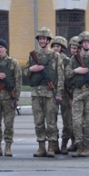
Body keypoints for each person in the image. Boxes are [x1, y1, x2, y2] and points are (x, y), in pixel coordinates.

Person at [24, 27, 64, 158]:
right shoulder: (33, 56)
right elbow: (25, 72)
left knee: (51, 121)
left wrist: (59, 93)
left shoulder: (55, 56)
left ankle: (52, 146)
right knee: (38, 121)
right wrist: (32, 69)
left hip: (50, 93)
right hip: (36, 93)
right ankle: (41, 146)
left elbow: (60, 76)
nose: (42, 41)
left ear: (48, 40)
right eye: (40, 39)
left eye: (44, 39)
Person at [65, 31, 89, 157]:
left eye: (88, 42)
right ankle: (79, 146)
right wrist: (77, 70)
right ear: (81, 44)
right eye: (84, 42)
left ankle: (88, 146)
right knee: (76, 121)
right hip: (78, 91)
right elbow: (67, 74)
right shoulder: (74, 59)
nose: (86, 44)